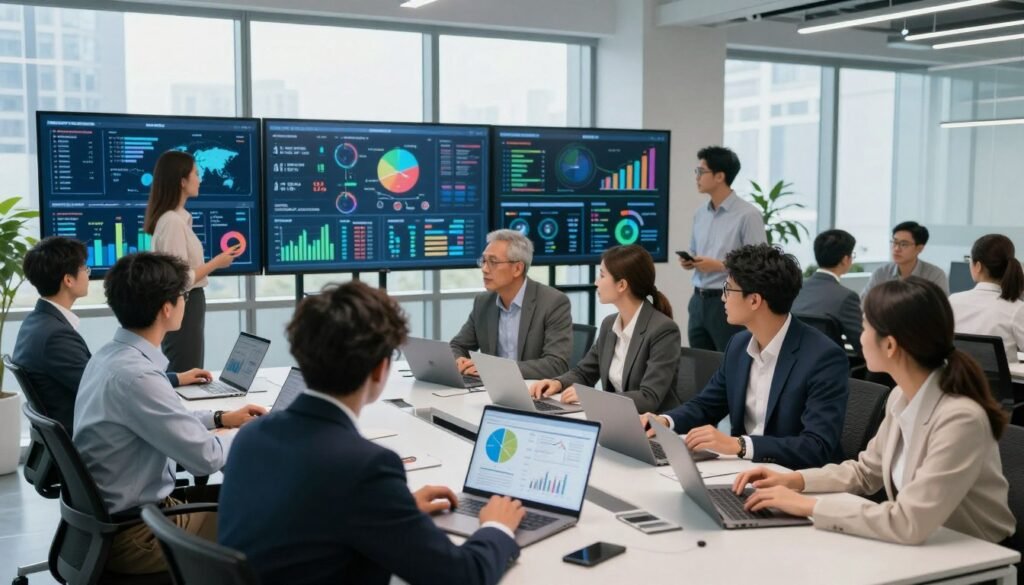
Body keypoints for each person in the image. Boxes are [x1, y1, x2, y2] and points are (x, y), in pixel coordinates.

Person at [219, 282, 524, 585]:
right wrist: (497, 527)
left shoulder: (251, 436)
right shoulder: (364, 467)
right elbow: (463, 576)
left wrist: (394, 510)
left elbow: (306, 513)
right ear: (380, 369)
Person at [733, 277, 1015, 546]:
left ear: (890, 345)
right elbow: (866, 473)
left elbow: (908, 521)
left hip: (974, 556)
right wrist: (794, 480)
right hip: (927, 546)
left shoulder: (960, 418)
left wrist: (808, 506)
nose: (861, 337)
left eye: (866, 328)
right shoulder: (900, 397)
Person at [73, 252, 265, 574]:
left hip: (113, 523)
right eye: (184, 296)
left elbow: (165, 420)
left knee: (239, 500)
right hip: (137, 535)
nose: (185, 302)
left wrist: (219, 419)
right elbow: (206, 459)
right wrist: (248, 432)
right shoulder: (138, 377)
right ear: (166, 308)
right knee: (265, 522)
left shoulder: (111, 357)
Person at [642, 244, 849, 470]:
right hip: (741, 471)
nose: (722, 297)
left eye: (728, 289)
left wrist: (739, 445)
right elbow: (706, 405)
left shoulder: (823, 357)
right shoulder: (739, 346)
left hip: (795, 479)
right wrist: (664, 422)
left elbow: (816, 446)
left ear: (754, 300)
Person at [12, 237, 210, 431]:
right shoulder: (55, 337)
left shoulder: (36, 323)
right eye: (84, 268)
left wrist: (175, 378)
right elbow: (108, 387)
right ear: (68, 280)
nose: (88, 274)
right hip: (93, 436)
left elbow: (110, 382)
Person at [529, 245, 682, 413]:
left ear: (622, 285)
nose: (596, 282)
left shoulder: (663, 330)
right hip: (615, 418)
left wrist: (594, 399)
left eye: (602, 275)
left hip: (650, 425)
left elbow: (649, 398)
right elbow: (584, 372)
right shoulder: (609, 324)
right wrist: (557, 383)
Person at [144, 150, 238, 372]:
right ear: (182, 181)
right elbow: (179, 279)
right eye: (196, 173)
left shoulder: (177, 219)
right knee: (186, 373)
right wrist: (217, 262)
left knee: (188, 370)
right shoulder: (173, 223)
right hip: (184, 305)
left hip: (188, 305)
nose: (200, 179)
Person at [450, 229, 572, 379]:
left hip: (533, 393)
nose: (484, 269)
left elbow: (556, 365)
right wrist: (459, 360)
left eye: (493, 262)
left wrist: (495, 369)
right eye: (483, 261)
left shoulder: (553, 302)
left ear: (517, 268)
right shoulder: (483, 302)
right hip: (491, 390)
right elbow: (457, 346)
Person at [681, 146, 766, 352]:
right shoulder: (700, 213)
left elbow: (759, 262)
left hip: (729, 301)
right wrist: (690, 261)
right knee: (700, 368)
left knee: (731, 364)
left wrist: (719, 266)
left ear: (720, 176)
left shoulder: (748, 215)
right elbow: (694, 249)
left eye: (701, 172)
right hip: (698, 301)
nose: (697, 177)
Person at [949, 234, 1024, 363]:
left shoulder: (952, 301)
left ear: (978, 266)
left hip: (958, 381)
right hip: (999, 383)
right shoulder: (1016, 308)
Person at [792, 229, 863, 353]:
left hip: (791, 366)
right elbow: (862, 345)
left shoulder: (793, 288)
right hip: (829, 368)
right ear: (845, 259)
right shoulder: (846, 297)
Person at [863, 221, 948, 298]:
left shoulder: (934, 275)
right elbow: (864, 304)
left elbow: (940, 310)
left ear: (919, 248)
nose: (896, 248)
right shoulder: (881, 273)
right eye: (895, 242)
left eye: (903, 244)